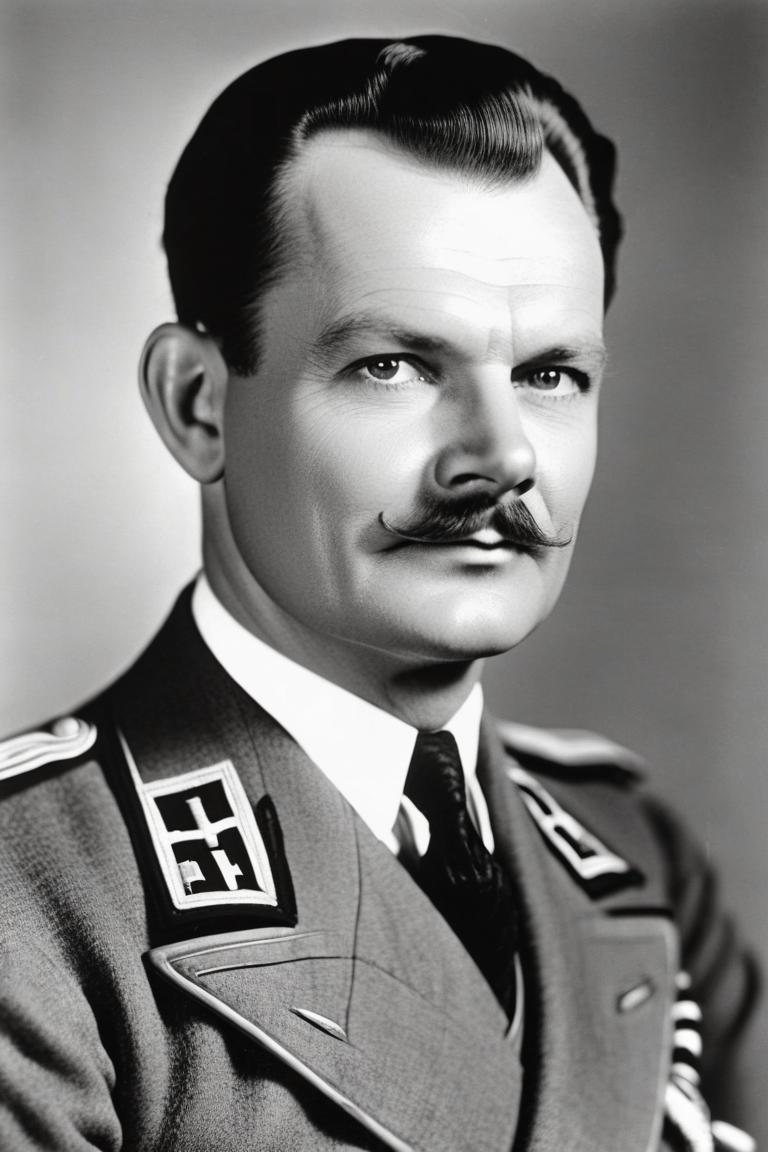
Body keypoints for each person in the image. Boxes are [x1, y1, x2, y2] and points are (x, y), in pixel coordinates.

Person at [0, 34, 759, 1152]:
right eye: (393, 366)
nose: (502, 456)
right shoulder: (35, 899)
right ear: (199, 404)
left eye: (550, 375)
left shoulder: (636, 855)